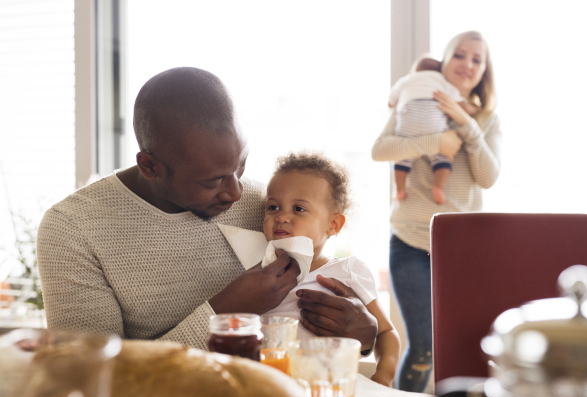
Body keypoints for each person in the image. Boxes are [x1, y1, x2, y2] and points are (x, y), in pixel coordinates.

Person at [37, 67, 378, 354]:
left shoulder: (270, 205)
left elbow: (325, 298)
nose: (237, 192)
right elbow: (90, 376)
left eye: (240, 166)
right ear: (151, 167)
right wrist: (224, 314)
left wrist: (363, 334)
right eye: (212, 181)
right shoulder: (72, 230)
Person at [371, 31, 502, 392]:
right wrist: (436, 140)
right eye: (460, 55)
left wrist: (465, 122)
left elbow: (488, 177)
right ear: (445, 60)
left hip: (463, 248)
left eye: (478, 60)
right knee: (424, 347)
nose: (468, 64)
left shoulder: (487, 119)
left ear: (484, 72)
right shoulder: (415, 98)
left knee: (465, 346)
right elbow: (380, 150)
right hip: (409, 243)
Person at [260, 151, 400, 387]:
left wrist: (383, 376)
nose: (282, 216)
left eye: (299, 209)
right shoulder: (257, 272)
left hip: (328, 387)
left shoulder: (347, 271)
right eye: (273, 207)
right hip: (271, 385)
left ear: (333, 225)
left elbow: (386, 333)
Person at [388, 57, 479, 205]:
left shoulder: (408, 79)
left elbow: (392, 97)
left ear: (415, 70)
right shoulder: (441, 80)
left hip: (407, 121)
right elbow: (458, 101)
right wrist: (473, 108)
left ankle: (399, 189)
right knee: (443, 158)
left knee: (401, 160)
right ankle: (438, 187)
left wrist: (391, 103)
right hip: (434, 124)